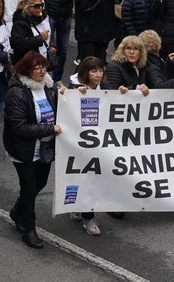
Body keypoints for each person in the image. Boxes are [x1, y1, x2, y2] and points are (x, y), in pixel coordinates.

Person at [4, 50, 62, 248]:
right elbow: (18, 127)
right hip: (24, 150)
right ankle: (29, 229)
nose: (41, 71)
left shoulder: (49, 86)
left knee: (40, 184)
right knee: (29, 189)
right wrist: (50, 128)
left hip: (44, 147)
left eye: (43, 67)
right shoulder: (17, 92)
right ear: (26, 71)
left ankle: (17, 211)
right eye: (36, 68)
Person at [67, 55, 104, 235]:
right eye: (93, 71)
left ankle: (83, 211)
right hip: (80, 144)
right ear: (85, 73)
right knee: (84, 177)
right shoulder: (76, 90)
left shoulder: (106, 90)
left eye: (100, 70)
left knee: (93, 179)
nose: (98, 75)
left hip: (100, 143)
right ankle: (87, 217)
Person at [10, 0, 53, 65]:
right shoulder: (20, 22)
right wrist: (39, 39)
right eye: (36, 6)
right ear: (28, 7)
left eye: (41, 5)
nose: (40, 8)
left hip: (42, 60)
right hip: (27, 63)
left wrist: (52, 45)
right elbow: (18, 43)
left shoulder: (43, 16)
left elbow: (48, 30)